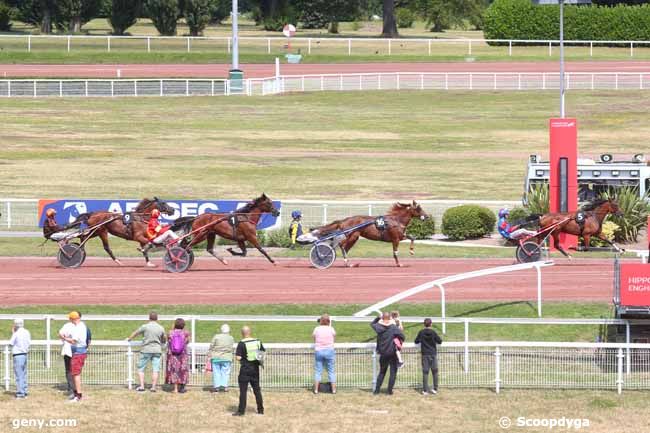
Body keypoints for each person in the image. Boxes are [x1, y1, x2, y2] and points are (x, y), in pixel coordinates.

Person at [127, 311, 166, 392]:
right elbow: (164, 339)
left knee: (141, 368)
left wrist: (129, 339)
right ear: (157, 318)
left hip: (146, 350)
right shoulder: (161, 328)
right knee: (155, 369)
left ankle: (142, 386)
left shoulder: (145, 326)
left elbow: (136, 333)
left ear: (149, 318)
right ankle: (153, 387)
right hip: (157, 350)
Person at [233, 326, 265, 416]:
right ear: (250, 332)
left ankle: (241, 411)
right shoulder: (257, 341)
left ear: (242, 333)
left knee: (243, 391)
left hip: (245, 369)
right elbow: (261, 354)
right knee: (257, 390)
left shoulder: (241, 343)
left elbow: (238, 357)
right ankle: (260, 410)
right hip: (255, 369)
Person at [371, 311, 405, 395]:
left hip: (383, 353)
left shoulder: (378, 327)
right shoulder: (393, 327)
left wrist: (378, 317)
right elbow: (402, 336)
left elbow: (372, 324)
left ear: (382, 318)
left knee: (382, 372)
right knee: (393, 372)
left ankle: (377, 390)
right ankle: (389, 391)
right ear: (390, 318)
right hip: (392, 353)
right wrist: (397, 340)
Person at [59, 311, 88, 402]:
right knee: (74, 373)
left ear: (73, 319)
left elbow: (73, 341)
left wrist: (64, 338)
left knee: (76, 374)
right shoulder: (81, 326)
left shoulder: (79, 327)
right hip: (78, 352)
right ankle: (76, 393)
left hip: (78, 352)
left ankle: (78, 395)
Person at [415, 318, 443, 395]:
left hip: (425, 354)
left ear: (424, 324)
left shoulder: (421, 332)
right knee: (435, 371)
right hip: (433, 354)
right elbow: (440, 341)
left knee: (425, 372)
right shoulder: (433, 332)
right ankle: (435, 389)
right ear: (431, 324)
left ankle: (425, 390)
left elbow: (416, 341)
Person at [312, 314, 336, 394]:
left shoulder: (317, 328)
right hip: (329, 351)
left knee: (318, 371)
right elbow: (334, 336)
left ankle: (316, 390)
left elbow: (314, 337)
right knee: (331, 371)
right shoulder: (331, 329)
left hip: (319, 351)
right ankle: (333, 390)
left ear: (321, 321)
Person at [165, 318, 190, 393]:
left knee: (174, 370)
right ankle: (182, 387)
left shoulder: (170, 333)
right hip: (182, 354)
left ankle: (175, 388)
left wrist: (173, 328)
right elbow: (187, 341)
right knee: (182, 370)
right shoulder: (185, 333)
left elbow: (168, 340)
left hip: (172, 354)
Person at [208, 324, 235, 393]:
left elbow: (211, 346)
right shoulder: (231, 338)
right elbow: (232, 347)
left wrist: (210, 352)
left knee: (216, 372)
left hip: (216, 357)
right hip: (227, 357)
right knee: (225, 372)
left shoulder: (216, 337)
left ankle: (216, 387)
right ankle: (224, 386)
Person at [10, 318, 31, 399]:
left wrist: (13, 333)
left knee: (19, 375)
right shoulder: (27, 332)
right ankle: (25, 392)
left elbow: (11, 342)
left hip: (18, 354)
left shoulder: (16, 333)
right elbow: (29, 342)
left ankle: (20, 393)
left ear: (16, 324)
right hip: (25, 354)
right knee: (24, 374)